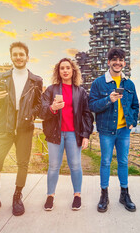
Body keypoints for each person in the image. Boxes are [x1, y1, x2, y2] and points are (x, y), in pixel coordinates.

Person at [0, 42, 43, 219]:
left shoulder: (36, 80)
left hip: (25, 129)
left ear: (27, 57)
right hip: (4, 129)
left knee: (23, 164)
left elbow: (38, 104)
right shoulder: (2, 77)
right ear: (11, 56)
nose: (18, 57)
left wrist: (32, 115)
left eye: (22, 54)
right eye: (15, 54)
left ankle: (17, 197)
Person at [89, 47, 139, 213]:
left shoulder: (129, 83)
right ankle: (104, 195)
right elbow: (92, 105)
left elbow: (135, 105)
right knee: (105, 162)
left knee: (123, 162)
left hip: (124, 131)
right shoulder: (98, 83)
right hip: (106, 131)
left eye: (121, 60)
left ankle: (124, 194)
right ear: (109, 62)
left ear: (124, 63)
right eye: (114, 59)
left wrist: (133, 122)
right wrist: (108, 99)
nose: (117, 63)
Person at [40, 58, 94, 211]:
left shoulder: (80, 91)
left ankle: (77, 195)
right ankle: (50, 195)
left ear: (73, 71)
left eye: (68, 68)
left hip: (73, 134)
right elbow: (42, 110)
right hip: (55, 134)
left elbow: (87, 114)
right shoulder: (51, 90)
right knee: (53, 166)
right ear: (58, 71)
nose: (65, 70)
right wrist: (52, 108)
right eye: (62, 68)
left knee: (75, 166)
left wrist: (85, 135)